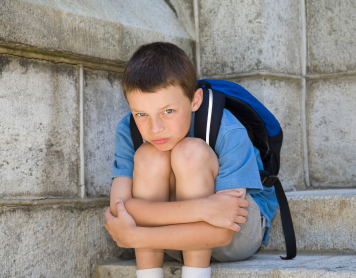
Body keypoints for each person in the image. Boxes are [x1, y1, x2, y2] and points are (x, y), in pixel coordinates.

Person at [104, 42, 278, 278]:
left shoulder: (228, 130)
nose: (155, 128)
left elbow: (223, 231)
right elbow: (121, 209)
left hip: (236, 236)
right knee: (148, 155)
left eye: (168, 111)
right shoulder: (128, 129)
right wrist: (203, 208)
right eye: (141, 114)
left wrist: (136, 236)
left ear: (195, 101)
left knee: (190, 152)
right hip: (175, 238)